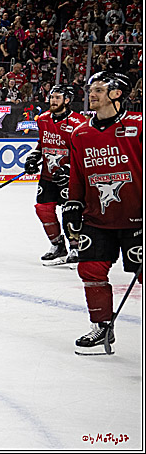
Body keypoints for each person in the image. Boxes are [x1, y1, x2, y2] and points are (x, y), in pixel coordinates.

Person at [63, 72, 142, 355]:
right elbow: (78, 174)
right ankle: (102, 326)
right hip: (97, 217)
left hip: (137, 217)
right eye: (90, 89)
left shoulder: (139, 124)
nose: (91, 94)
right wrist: (73, 203)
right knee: (90, 269)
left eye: (98, 89)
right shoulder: (80, 133)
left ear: (117, 94)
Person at [22, 84, 87, 267]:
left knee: (71, 212)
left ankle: (76, 248)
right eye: (52, 97)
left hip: (70, 178)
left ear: (67, 100)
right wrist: (34, 157)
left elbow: (83, 152)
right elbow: (42, 144)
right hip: (48, 175)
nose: (53, 101)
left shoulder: (78, 123)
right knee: (43, 208)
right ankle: (58, 245)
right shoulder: (42, 119)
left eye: (58, 98)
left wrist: (69, 170)